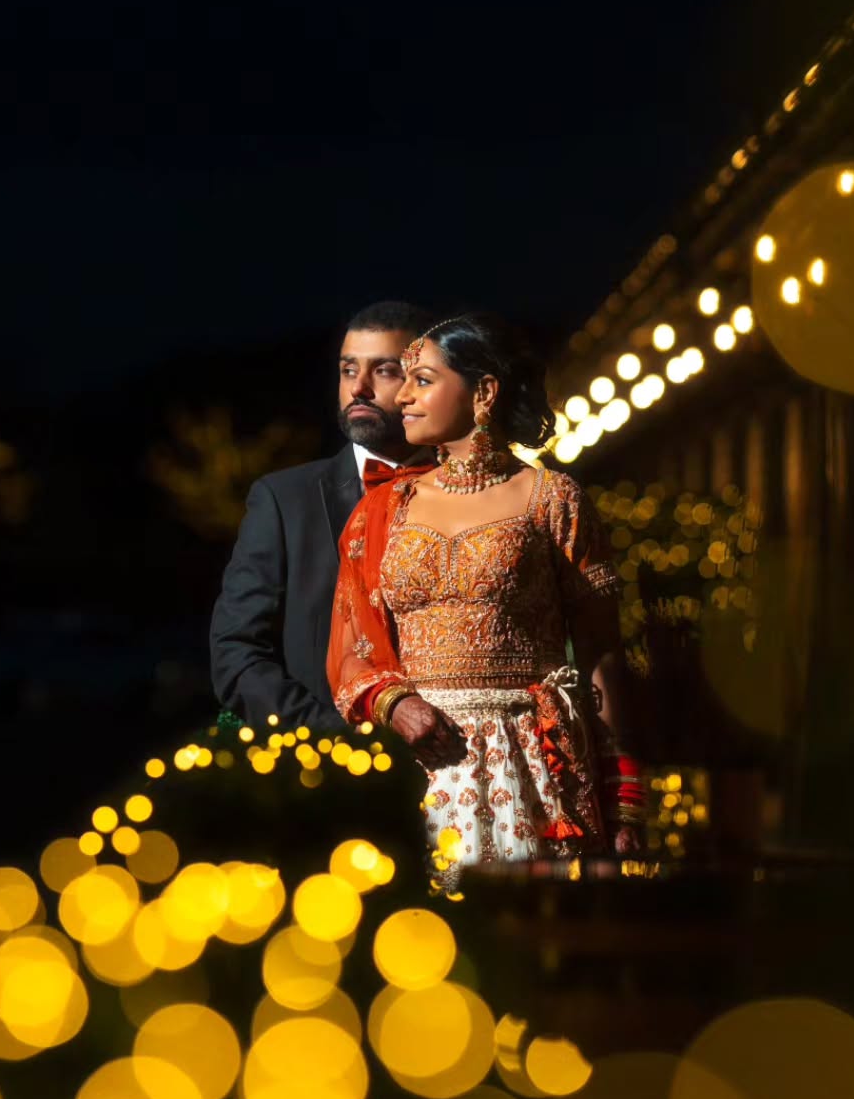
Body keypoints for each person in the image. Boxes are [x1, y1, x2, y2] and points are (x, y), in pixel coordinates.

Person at [328, 311, 644, 863]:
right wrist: (396, 705)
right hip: (415, 761)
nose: (401, 397)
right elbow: (354, 643)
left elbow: (601, 653)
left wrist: (624, 794)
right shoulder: (383, 509)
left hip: (533, 762)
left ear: (484, 392)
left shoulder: (553, 500)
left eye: (422, 380)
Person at [210, 299, 434, 733]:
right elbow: (237, 652)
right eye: (348, 370)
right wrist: (337, 738)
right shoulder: (283, 500)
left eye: (384, 371)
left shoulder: (479, 492)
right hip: (337, 768)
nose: (359, 389)